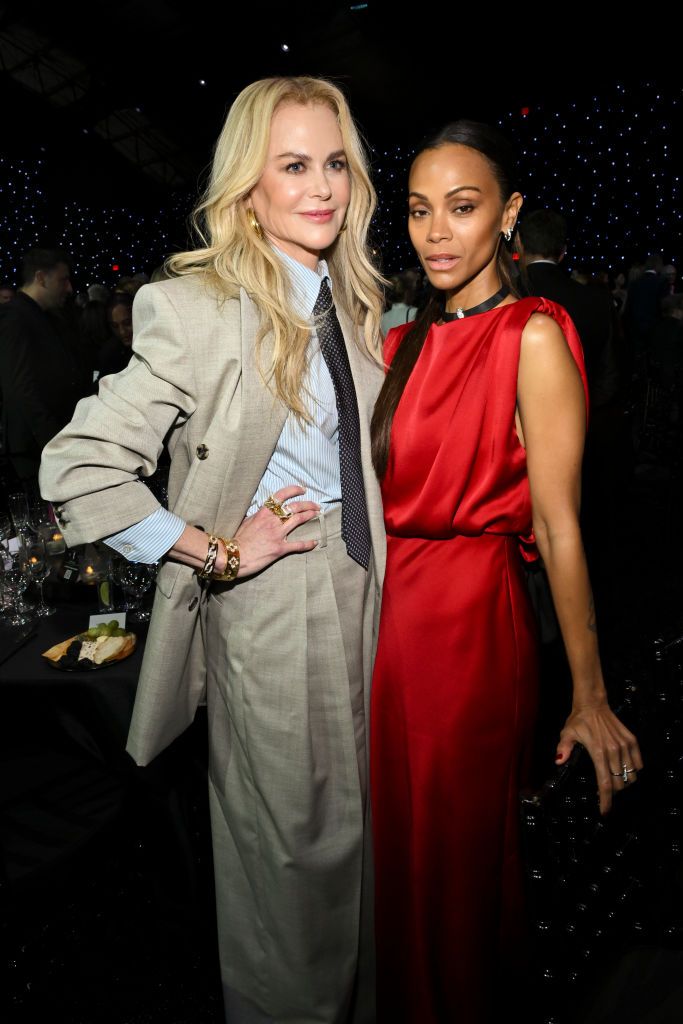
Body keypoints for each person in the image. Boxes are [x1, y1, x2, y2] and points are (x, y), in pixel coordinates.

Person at [40, 76, 386, 1024]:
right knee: (290, 864)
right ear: (248, 189)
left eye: (335, 164)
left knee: (364, 846)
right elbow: (77, 466)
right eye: (292, 166)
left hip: (377, 594)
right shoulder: (196, 307)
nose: (320, 188)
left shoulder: (359, 305)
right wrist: (216, 552)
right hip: (277, 607)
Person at [368, 120, 643, 1023]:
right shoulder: (399, 348)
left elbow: (562, 530)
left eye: (462, 207)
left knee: (455, 863)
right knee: (401, 856)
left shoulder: (530, 336)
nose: (436, 233)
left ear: (507, 214)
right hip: (387, 627)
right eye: (417, 212)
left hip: (470, 627)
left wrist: (589, 692)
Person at [0, 248, 91, 486]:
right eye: (63, 280)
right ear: (41, 278)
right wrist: (56, 442)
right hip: (36, 452)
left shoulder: (44, 316)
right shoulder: (15, 316)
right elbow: (20, 388)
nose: (69, 288)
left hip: (50, 444)